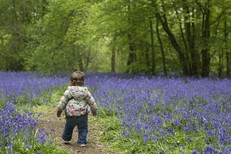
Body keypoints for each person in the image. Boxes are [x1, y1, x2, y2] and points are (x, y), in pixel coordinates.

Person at [56, 71, 97, 147]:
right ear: (83, 82)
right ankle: (82, 142)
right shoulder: (86, 92)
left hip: (71, 114)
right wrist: (94, 110)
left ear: (71, 81)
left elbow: (63, 102)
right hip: (83, 115)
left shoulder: (69, 91)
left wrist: (59, 111)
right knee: (83, 128)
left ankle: (66, 139)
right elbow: (92, 102)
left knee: (69, 126)